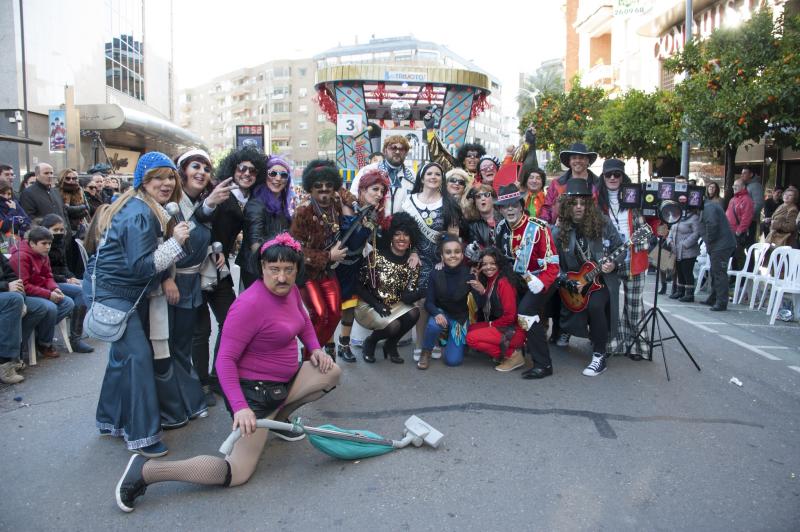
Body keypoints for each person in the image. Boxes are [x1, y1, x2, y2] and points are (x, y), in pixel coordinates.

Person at [114, 233, 340, 513]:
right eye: (274, 270)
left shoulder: (291, 290)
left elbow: (304, 321)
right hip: (253, 395)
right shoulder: (249, 305)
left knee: (330, 372)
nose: (281, 277)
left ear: (296, 271)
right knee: (236, 473)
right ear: (262, 269)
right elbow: (224, 362)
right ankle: (146, 471)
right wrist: (241, 408)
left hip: (284, 381)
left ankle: (278, 420)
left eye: (288, 270)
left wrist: (316, 348)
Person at [88, 152, 191, 457]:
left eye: (170, 176)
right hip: (116, 293)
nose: (166, 183)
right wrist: (176, 241)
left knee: (122, 359)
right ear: (143, 181)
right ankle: (142, 436)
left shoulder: (144, 206)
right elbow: (142, 266)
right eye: (157, 177)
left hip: (121, 292)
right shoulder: (140, 213)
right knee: (138, 358)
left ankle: (110, 420)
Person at [166, 149, 234, 415]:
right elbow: (176, 239)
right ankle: (197, 387)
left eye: (206, 169)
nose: (202, 173)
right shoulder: (172, 201)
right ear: (182, 171)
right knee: (190, 337)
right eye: (196, 166)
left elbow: (205, 233)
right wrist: (164, 280)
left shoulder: (206, 197)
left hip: (204, 274)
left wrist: (215, 250)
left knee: (222, 324)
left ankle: (212, 379)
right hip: (177, 280)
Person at [192, 147, 262, 400]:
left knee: (231, 322)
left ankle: (217, 376)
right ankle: (200, 383)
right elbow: (200, 218)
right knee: (201, 330)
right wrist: (213, 247)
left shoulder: (251, 197)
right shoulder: (220, 192)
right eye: (241, 168)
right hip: (198, 267)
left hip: (219, 271)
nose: (246, 173)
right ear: (232, 170)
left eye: (252, 170)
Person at [553, 179, 624, 377]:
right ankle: (564, 330)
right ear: (567, 205)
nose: (578, 207)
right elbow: (551, 262)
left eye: (583, 203)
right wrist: (565, 279)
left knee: (595, 305)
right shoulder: (558, 231)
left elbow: (620, 248)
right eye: (574, 203)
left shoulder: (603, 223)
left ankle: (599, 355)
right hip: (574, 283)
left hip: (601, 281)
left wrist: (614, 263)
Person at [493, 184, 559, 376]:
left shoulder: (538, 228)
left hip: (542, 278)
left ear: (522, 206)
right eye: (506, 206)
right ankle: (516, 352)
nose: (510, 209)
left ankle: (544, 365)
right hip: (517, 280)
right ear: (500, 209)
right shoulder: (500, 228)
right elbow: (499, 257)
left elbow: (553, 264)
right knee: (510, 312)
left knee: (526, 314)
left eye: (514, 204)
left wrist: (540, 282)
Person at [290, 159, 352, 358]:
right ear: (310, 189)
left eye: (328, 187)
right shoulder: (303, 211)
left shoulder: (335, 201)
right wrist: (328, 255)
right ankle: (310, 357)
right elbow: (296, 249)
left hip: (327, 271)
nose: (324, 192)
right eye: (319, 188)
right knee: (319, 313)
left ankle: (314, 351)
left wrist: (349, 197)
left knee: (335, 313)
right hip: (307, 273)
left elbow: (350, 196)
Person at [401, 161, 462, 357]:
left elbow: (453, 235)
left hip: (440, 259)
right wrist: (412, 251)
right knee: (421, 301)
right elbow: (402, 231)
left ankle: (433, 341)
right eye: (429, 173)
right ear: (422, 177)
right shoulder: (409, 201)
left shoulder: (449, 202)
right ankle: (420, 343)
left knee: (435, 301)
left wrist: (448, 258)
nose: (433, 177)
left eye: (437, 174)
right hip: (416, 259)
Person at [596, 159, 654, 359]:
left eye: (617, 174)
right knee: (610, 305)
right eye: (608, 174)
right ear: (603, 177)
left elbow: (651, 217)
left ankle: (637, 346)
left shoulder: (635, 197)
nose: (612, 178)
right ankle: (612, 344)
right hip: (609, 258)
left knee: (634, 304)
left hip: (634, 256)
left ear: (623, 176)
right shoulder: (597, 201)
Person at [334, 166, 389, 363]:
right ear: (362, 190)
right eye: (374, 189)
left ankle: (344, 345)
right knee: (332, 309)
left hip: (355, 265)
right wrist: (369, 223)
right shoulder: (349, 207)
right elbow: (354, 240)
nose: (379, 194)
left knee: (349, 306)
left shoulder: (370, 211)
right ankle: (328, 346)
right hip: (336, 266)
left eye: (381, 191)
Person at [355, 212, 422, 363]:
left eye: (406, 235)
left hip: (394, 305)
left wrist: (425, 291)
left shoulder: (412, 262)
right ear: (390, 236)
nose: (401, 238)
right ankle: (370, 342)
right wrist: (377, 304)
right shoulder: (376, 257)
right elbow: (358, 286)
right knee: (394, 325)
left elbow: (407, 297)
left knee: (414, 313)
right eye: (397, 234)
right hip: (369, 305)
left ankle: (391, 344)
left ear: (411, 238)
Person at [10, 226, 76, 359]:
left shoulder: (43, 255)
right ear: (32, 243)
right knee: (49, 307)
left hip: (41, 290)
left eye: (49, 244)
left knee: (68, 302)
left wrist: (54, 288)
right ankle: (44, 343)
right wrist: (48, 295)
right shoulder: (20, 257)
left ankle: (41, 337)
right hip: (25, 294)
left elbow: (48, 276)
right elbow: (24, 285)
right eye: (44, 243)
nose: (48, 247)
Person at [38, 214, 93, 353]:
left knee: (85, 285)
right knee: (80, 291)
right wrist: (65, 279)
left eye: (61, 230)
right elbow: (45, 273)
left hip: (60, 278)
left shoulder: (60, 243)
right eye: (55, 230)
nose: (59, 233)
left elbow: (63, 266)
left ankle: (82, 330)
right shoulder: (42, 244)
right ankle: (75, 339)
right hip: (49, 282)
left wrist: (70, 276)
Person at [465, 248, 526, 366]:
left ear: (499, 263)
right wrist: (482, 291)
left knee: (471, 338)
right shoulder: (489, 279)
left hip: (513, 331)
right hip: (502, 326)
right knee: (471, 329)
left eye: (492, 263)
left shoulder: (504, 282)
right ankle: (505, 351)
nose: (488, 267)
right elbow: (487, 304)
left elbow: (510, 316)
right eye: (485, 264)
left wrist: (491, 325)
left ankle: (512, 354)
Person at [418, 235, 471, 369]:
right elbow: (428, 302)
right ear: (442, 256)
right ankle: (426, 351)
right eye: (448, 252)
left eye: (457, 252)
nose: (453, 255)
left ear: (462, 255)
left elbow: (479, 304)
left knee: (453, 361)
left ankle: (450, 339)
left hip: (460, 318)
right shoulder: (435, 273)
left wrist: (481, 291)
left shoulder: (469, 273)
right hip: (443, 314)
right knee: (434, 324)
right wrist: (436, 313)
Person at [0, 253, 49, 383]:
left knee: (40, 307)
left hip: (8, 295)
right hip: (6, 294)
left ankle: (17, 351)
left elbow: (12, 276)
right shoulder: (23, 254)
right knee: (14, 301)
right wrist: (6, 287)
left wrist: (19, 295)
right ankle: (5, 361)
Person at [350, 135, 415, 216]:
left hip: (401, 226)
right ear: (385, 151)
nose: (397, 152)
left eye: (401, 149)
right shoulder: (368, 170)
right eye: (393, 148)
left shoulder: (412, 176)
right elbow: (353, 194)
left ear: (406, 153)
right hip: (373, 224)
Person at [539, 143, 600, 225]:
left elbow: (604, 210)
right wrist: (545, 225)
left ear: (587, 161)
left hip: (591, 230)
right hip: (562, 231)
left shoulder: (598, 184)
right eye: (574, 158)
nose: (577, 161)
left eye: (581, 158)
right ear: (570, 161)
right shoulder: (556, 184)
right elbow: (547, 208)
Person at [700, 198, 736, 311]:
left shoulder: (708, 208)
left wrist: (709, 242)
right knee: (715, 271)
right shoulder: (708, 207)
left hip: (721, 245)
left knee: (719, 272)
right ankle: (714, 297)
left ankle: (721, 301)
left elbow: (712, 225)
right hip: (719, 244)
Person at [666, 204, 702, 303]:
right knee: (679, 271)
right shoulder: (676, 217)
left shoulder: (694, 218)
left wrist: (685, 244)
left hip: (688, 250)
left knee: (687, 272)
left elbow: (697, 233)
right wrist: (669, 240)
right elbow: (671, 230)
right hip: (676, 250)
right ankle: (680, 291)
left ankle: (689, 294)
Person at [462, 184, 498, 263]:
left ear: (494, 199)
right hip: (486, 265)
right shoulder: (472, 225)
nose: (482, 198)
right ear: (475, 203)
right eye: (478, 196)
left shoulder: (504, 218)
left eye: (486, 195)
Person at [726, 179, 754, 271]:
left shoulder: (747, 200)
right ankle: (734, 278)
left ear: (743, 187)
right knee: (733, 256)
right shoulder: (733, 199)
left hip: (737, 233)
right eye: (734, 185)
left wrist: (739, 231)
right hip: (729, 232)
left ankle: (742, 279)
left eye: (737, 185)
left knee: (739, 256)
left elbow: (746, 217)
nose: (734, 187)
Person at [740, 167, 764, 246]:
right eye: (742, 173)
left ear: (751, 174)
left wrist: (747, 217)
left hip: (750, 222)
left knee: (748, 243)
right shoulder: (747, 185)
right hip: (744, 220)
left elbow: (758, 204)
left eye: (745, 173)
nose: (742, 175)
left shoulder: (756, 186)